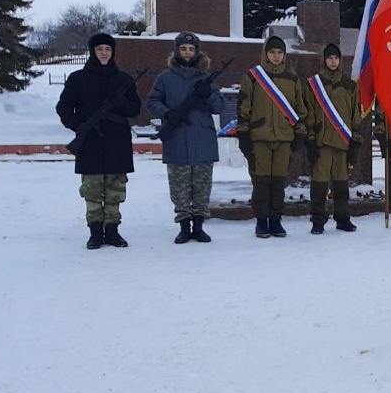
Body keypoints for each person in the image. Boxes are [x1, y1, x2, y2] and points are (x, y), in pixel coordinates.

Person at [56, 32, 141, 249]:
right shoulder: (78, 79)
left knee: (115, 190)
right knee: (92, 190)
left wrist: (122, 104)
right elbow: (64, 108)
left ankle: (112, 231)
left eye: (108, 49)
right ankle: (95, 232)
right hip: (90, 142)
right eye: (100, 49)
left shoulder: (124, 80)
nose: (104, 53)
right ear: (92, 52)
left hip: (117, 142)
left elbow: (135, 109)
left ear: (113, 53)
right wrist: (79, 126)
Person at [146, 32, 225, 244]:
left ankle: (199, 227)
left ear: (197, 52)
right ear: (177, 51)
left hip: (202, 140)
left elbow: (219, 106)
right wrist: (167, 113)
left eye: (191, 49)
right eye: (184, 49)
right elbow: (152, 102)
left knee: (201, 187)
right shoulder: (164, 78)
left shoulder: (205, 78)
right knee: (179, 188)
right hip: (177, 139)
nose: (188, 53)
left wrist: (207, 93)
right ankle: (184, 226)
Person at [236, 35, 309, 238]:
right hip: (259, 138)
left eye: (279, 53)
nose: (276, 56)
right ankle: (261, 221)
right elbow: (243, 109)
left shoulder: (292, 79)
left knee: (278, 183)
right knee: (261, 183)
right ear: (266, 54)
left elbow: (300, 110)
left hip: (284, 139)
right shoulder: (252, 77)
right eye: (272, 52)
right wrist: (244, 136)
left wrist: (299, 135)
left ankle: (276, 220)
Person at [303, 43, 363, 234]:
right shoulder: (313, 85)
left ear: (340, 60)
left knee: (341, 185)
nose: (333, 61)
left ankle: (343, 218)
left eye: (336, 58)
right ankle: (318, 221)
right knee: (319, 185)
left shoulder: (349, 86)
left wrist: (356, 139)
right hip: (322, 142)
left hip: (343, 143)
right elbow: (308, 114)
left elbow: (355, 116)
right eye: (329, 58)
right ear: (324, 60)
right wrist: (311, 139)